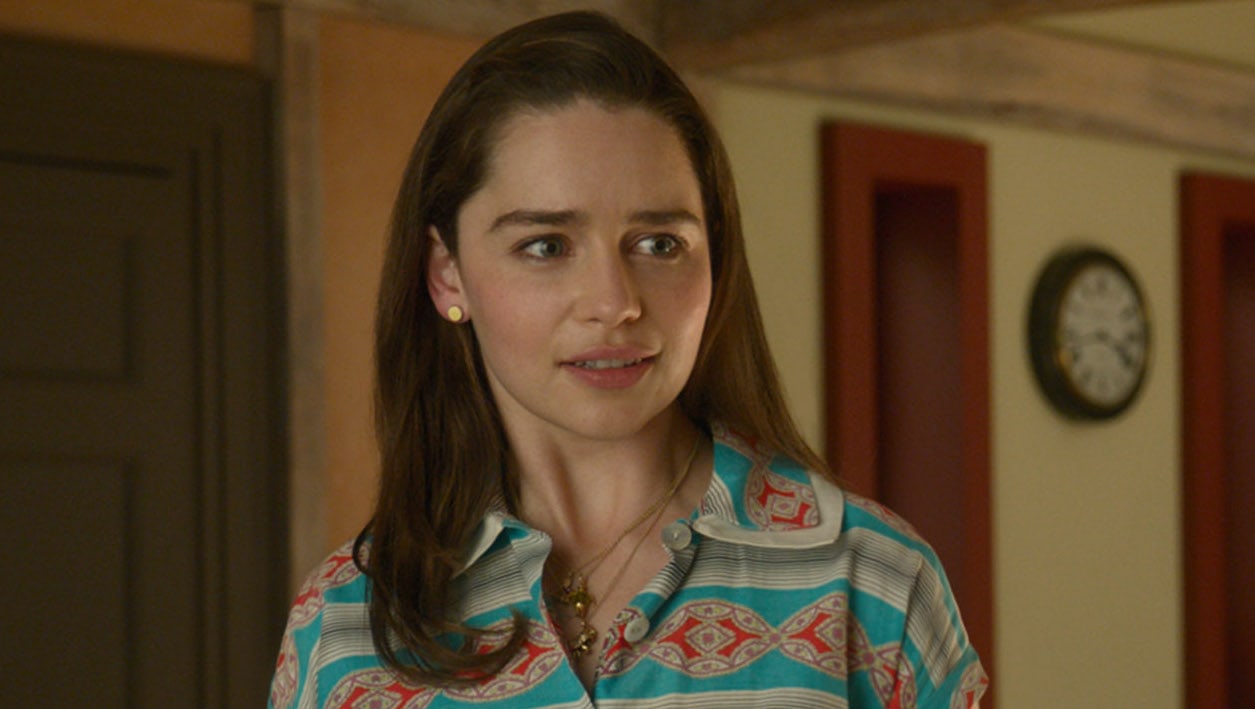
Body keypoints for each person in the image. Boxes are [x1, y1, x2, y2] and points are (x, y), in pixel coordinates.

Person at [269, 10, 987, 708]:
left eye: (658, 244)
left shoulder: (873, 585)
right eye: (546, 246)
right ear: (447, 274)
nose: (614, 303)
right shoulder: (345, 626)